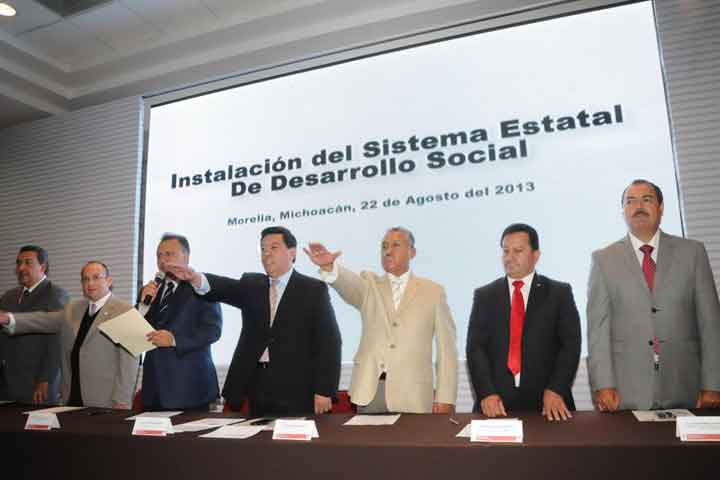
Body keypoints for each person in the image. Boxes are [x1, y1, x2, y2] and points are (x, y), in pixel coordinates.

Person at [166, 226, 341, 417]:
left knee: (292, 437)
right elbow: (224, 288)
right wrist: (195, 278)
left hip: (298, 388)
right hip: (257, 385)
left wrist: (324, 390)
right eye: (263, 249)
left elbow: (329, 342)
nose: (267, 254)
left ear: (292, 253)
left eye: (273, 248)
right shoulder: (252, 285)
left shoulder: (313, 290)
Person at [587, 179, 720, 411]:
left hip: (686, 385)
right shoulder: (603, 259)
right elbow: (598, 330)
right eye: (630, 201)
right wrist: (603, 385)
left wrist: (713, 384)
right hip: (627, 390)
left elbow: (711, 324)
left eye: (646, 199)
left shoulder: (693, 253)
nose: (638, 206)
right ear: (623, 211)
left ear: (661, 207)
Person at [304, 227, 457, 414]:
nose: (388, 251)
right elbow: (349, 284)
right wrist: (329, 267)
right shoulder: (369, 284)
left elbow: (447, 350)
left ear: (412, 252)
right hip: (370, 392)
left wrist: (446, 397)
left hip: (413, 395)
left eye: (395, 245)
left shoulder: (433, 292)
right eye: (384, 246)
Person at [466, 224, 581, 421]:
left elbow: (570, 346)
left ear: (536, 255)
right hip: (496, 405)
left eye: (518, 251)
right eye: (505, 251)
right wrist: (486, 393)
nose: (509, 257)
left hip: (548, 405)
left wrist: (556, 389)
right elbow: (475, 348)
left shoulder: (558, 293)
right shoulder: (485, 295)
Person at [0, 261, 138, 409]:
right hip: (71, 397)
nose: (90, 283)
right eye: (85, 279)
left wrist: (122, 400)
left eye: (96, 277)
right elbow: (44, 319)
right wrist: (9, 319)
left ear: (109, 281)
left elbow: (130, 363)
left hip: (105, 401)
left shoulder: (124, 310)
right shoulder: (73, 308)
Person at [138, 234, 222, 411]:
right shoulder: (150, 291)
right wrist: (143, 306)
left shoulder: (200, 286)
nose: (162, 260)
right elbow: (136, 331)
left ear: (186, 256)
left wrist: (174, 340)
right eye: (159, 255)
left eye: (169, 254)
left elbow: (212, 330)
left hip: (190, 388)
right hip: (153, 389)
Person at [0, 245, 68, 404]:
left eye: (28, 263)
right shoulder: (9, 296)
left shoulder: (56, 294)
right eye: (19, 263)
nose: (21, 268)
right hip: (7, 382)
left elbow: (56, 342)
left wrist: (45, 379)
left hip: (38, 383)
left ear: (43, 267)